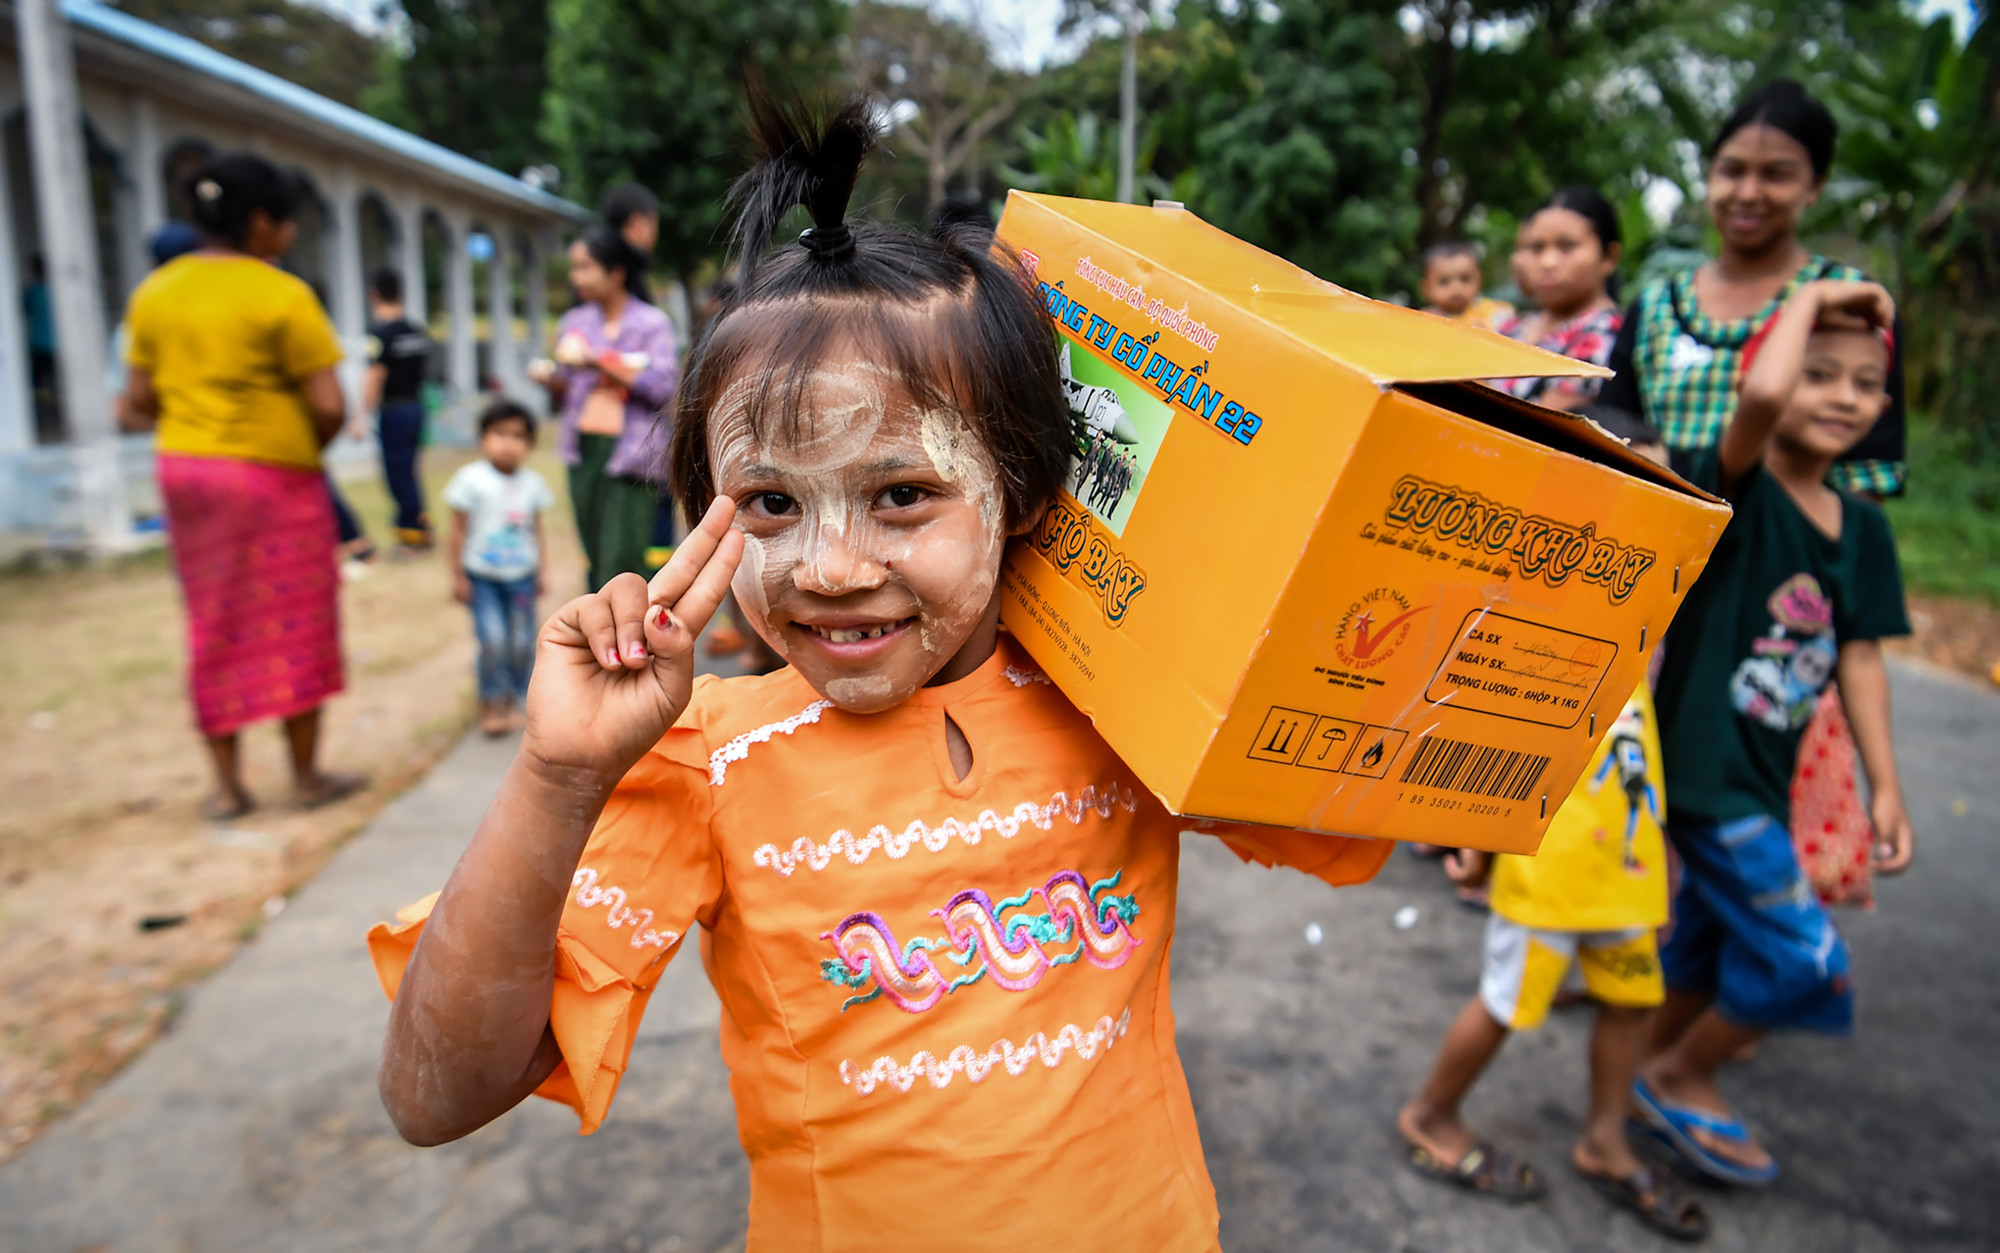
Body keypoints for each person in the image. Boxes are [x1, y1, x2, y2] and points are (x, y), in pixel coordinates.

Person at [370, 91, 1391, 1250]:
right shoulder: (705, 757)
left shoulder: (1122, 699)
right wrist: (557, 775)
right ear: (704, 515)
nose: (832, 566)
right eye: (768, 503)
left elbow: (1355, 802)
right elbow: (432, 1094)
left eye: (903, 492)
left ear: (1020, 490)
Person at [1397, 413, 1707, 1242]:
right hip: (1550, 851)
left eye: (1663, 490)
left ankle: (1606, 1137)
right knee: (1505, 1000)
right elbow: (1482, 723)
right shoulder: (1522, 599)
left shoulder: (1658, 594)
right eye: (1624, 487)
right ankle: (1432, 1113)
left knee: (1630, 996)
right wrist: (1469, 830)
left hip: (1629, 852)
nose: (1647, 508)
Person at [1636, 278, 1915, 1187]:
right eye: (1818, 373)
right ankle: (1683, 1073)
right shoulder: (1740, 488)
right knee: (1806, 958)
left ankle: (1631, 1079)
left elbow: (1861, 659)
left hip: (1766, 778)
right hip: (1710, 775)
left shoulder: (1865, 531)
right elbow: (1757, 397)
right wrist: (1821, 292)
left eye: (1864, 382)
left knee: (1708, 944)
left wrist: (1887, 785)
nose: (1841, 395)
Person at [116, 153, 365, 819]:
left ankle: (228, 788)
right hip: (271, 480)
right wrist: (283, 441)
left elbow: (135, 402)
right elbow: (332, 406)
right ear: (259, 223)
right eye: (285, 224)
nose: (287, 236)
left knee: (212, 620)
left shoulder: (157, 292)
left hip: (187, 476)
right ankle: (305, 776)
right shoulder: (280, 293)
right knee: (298, 620)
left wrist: (197, 424)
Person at [1598, 80, 1904, 498]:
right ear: (1710, 174)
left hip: (1793, 555)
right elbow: (1608, 441)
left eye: (1776, 175)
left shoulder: (1853, 302)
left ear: (1815, 186)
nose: (1748, 192)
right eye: (1732, 170)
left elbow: (1866, 478)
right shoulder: (1654, 307)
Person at [527, 227, 678, 592]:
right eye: (573, 267)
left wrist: (599, 363)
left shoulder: (651, 324)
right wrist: (550, 379)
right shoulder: (574, 322)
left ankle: (630, 639)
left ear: (615, 273)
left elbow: (664, 387)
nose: (574, 276)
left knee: (623, 558)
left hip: (633, 455)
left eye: (584, 266)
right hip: (583, 451)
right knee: (594, 552)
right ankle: (600, 636)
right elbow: (566, 389)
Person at [443, 399, 554, 737]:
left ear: (530, 444)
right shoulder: (470, 480)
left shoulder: (533, 484)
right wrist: (458, 576)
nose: (508, 443)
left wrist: (541, 571)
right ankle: (490, 701)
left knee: (522, 641)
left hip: (521, 578)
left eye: (518, 436)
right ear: (483, 438)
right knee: (493, 640)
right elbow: (458, 530)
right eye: (499, 433)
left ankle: (516, 699)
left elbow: (537, 530)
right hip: (483, 580)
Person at [1493, 186, 1625, 411]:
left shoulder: (1611, 335)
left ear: (1609, 257)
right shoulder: (1509, 327)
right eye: (1536, 248)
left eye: (1567, 246)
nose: (1548, 262)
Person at [364, 268, 435, 552]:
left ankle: (412, 533)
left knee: (397, 472)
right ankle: (419, 524)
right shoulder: (416, 332)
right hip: (416, 408)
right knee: (409, 469)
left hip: (393, 411)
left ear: (374, 295)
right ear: (401, 295)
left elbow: (374, 376)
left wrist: (361, 415)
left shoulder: (381, 335)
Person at [1419, 240, 1514, 332]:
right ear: (1426, 289)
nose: (1456, 288)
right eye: (1444, 282)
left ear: (1479, 279)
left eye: (1465, 279)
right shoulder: (1423, 319)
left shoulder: (1493, 312)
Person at [600, 182, 659, 302]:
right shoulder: (625, 274)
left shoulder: (595, 261)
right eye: (654, 225)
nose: (655, 235)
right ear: (637, 222)